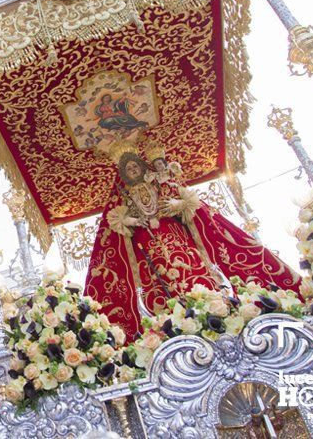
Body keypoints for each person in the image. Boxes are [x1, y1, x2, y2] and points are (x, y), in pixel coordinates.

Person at [83, 139, 301, 338]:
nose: (132, 170)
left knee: (196, 276)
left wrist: (179, 205)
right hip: (148, 249)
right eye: (128, 169)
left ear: (141, 166)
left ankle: (214, 309)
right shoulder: (122, 197)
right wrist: (129, 221)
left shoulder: (161, 183)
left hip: (178, 241)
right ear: (123, 174)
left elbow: (190, 201)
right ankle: (176, 325)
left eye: (135, 166)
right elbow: (114, 222)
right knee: (161, 287)